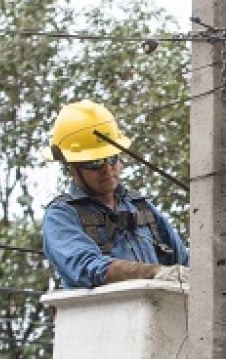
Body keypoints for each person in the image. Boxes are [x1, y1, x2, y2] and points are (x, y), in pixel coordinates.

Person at [42, 100, 190, 289]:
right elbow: (88, 268)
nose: (106, 169)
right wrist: (153, 273)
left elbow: (184, 260)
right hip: (100, 316)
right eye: (94, 163)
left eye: (111, 158)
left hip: (154, 313)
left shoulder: (141, 208)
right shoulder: (62, 216)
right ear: (71, 167)